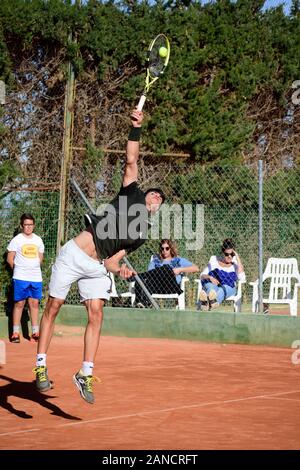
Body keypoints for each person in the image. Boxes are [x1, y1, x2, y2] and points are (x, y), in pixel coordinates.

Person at [33, 108, 166, 404]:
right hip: (74, 255)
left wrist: (119, 271)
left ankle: (85, 372)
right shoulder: (130, 192)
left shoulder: (141, 234)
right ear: (145, 195)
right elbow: (131, 159)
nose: (157, 197)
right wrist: (136, 128)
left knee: (96, 313)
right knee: (53, 305)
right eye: (155, 193)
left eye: (161, 199)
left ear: (158, 210)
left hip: (96, 267)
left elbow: (111, 261)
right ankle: (41, 366)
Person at [7, 213, 44, 343]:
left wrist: (32, 268)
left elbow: (40, 258)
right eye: (26, 225)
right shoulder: (16, 240)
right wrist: (18, 271)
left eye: (30, 225)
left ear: (34, 225)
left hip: (36, 278)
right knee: (19, 303)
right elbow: (10, 259)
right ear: (22, 225)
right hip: (20, 277)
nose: (28, 227)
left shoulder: (38, 240)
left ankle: (35, 333)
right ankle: (15, 333)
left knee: (34, 304)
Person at [134, 239, 199, 307]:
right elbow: (150, 274)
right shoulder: (155, 261)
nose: (164, 250)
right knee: (143, 279)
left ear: (171, 249)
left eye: (167, 248)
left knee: (166, 268)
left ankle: (138, 276)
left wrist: (180, 269)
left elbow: (196, 268)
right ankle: (142, 303)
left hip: (171, 287)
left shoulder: (178, 260)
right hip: (156, 287)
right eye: (162, 248)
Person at [198, 238, 245, 311]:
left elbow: (242, 278)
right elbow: (202, 275)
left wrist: (237, 258)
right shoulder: (214, 260)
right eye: (227, 254)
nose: (229, 256)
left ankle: (206, 304)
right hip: (213, 285)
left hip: (229, 287)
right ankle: (210, 303)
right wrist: (210, 277)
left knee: (222, 289)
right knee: (211, 288)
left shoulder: (235, 264)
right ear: (222, 253)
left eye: (232, 254)